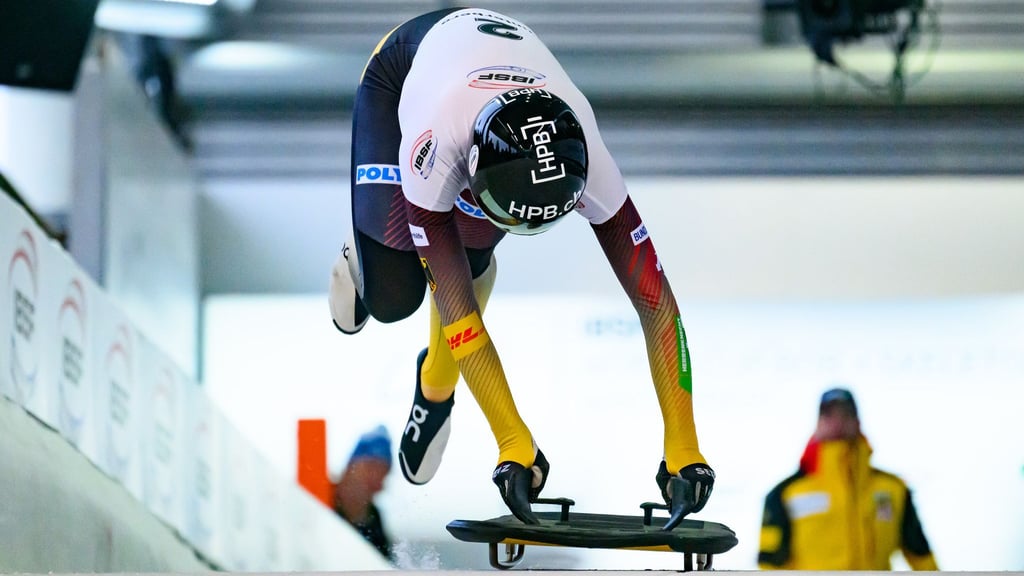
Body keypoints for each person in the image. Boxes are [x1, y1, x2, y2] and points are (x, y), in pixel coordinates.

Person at [329, 7, 713, 528]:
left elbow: (657, 305)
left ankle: (432, 383)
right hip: (403, 72)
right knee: (394, 298)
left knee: (470, 253)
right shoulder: (435, 147)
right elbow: (459, 313)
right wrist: (513, 440)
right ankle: (364, 255)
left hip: (480, 84)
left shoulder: (590, 157)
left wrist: (685, 447)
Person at [758, 387, 939, 570]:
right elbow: (769, 564)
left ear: (858, 421)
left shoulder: (894, 489)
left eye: (846, 414)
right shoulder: (785, 493)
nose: (838, 421)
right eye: (829, 414)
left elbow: (921, 555)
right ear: (818, 423)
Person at [332, 425, 394, 561]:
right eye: (370, 469)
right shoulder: (319, 499)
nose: (375, 481)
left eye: (383, 473)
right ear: (350, 468)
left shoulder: (375, 521)